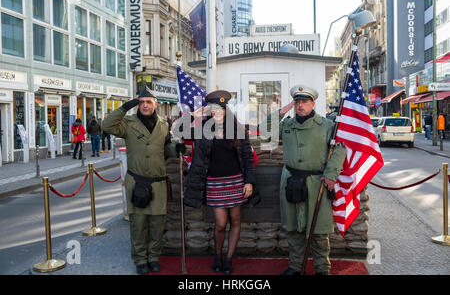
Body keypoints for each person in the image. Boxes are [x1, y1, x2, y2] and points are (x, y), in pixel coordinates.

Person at [262, 85, 346, 275]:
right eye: (297, 102)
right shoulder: (287, 125)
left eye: (304, 101)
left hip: (317, 183)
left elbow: (340, 149)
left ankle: (322, 269)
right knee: (294, 229)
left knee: (319, 232)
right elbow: (265, 130)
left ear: (313, 103)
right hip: (291, 180)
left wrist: (331, 175)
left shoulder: (326, 125)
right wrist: (284, 110)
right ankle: (295, 267)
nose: (300, 105)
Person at [102, 87, 181, 275]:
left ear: (156, 104)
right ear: (138, 104)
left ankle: (153, 257)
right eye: (142, 102)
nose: (145, 105)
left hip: (158, 182)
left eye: (149, 102)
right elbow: (107, 126)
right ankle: (139, 259)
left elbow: (165, 147)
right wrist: (123, 108)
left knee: (157, 224)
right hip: (137, 182)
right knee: (138, 224)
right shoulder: (128, 123)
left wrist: (176, 149)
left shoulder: (163, 125)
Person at [180, 90, 258, 274]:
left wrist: (249, 182)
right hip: (214, 183)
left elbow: (247, 158)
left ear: (226, 110)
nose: (217, 112)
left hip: (236, 181)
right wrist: (193, 115)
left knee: (236, 221)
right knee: (221, 224)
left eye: (220, 109)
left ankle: (229, 259)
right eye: (213, 109)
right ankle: (217, 255)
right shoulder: (202, 129)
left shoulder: (238, 130)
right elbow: (180, 130)